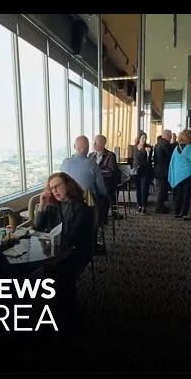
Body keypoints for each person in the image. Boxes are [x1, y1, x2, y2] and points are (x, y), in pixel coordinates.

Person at [34, 172, 93, 328]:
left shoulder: (81, 209)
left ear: (68, 185)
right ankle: (55, 308)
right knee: (43, 271)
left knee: (59, 273)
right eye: (52, 188)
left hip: (77, 252)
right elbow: (38, 227)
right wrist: (42, 205)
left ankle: (70, 315)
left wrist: (51, 244)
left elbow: (73, 239)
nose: (55, 191)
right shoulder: (54, 206)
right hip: (57, 251)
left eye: (57, 186)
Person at [61, 135, 107, 200]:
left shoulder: (65, 163)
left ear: (74, 147)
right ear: (88, 147)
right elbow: (101, 189)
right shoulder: (92, 164)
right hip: (87, 201)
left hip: (68, 200)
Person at [88, 134, 121, 221]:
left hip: (107, 182)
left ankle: (102, 218)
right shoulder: (91, 155)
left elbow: (111, 171)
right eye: (94, 142)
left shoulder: (110, 155)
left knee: (103, 192)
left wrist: (97, 172)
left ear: (103, 144)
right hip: (94, 182)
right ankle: (91, 215)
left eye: (96, 142)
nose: (94, 144)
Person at [168, 129, 191, 220]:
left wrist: (172, 175)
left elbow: (172, 163)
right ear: (189, 137)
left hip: (177, 175)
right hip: (188, 175)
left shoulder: (175, 148)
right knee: (187, 195)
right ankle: (184, 214)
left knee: (178, 195)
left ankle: (177, 213)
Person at [132, 132, 153, 214]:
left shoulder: (148, 147)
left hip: (145, 171)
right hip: (136, 171)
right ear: (139, 138)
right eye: (143, 138)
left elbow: (149, 161)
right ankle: (139, 206)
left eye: (145, 138)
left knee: (144, 189)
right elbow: (133, 159)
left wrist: (148, 154)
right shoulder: (134, 147)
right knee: (138, 189)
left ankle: (144, 206)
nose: (144, 140)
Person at [153, 129, 173, 213]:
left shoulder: (158, 143)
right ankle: (159, 207)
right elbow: (171, 156)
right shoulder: (165, 144)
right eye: (170, 135)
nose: (171, 137)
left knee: (162, 189)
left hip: (158, 169)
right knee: (162, 189)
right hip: (164, 170)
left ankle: (161, 205)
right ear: (167, 135)